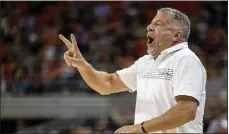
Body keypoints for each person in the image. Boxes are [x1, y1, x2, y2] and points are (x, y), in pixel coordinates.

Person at [59, 7, 206, 133]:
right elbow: (107, 84)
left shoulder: (186, 59)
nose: (149, 27)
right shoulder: (146, 62)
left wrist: (141, 128)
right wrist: (82, 65)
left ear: (176, 35)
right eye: (151, 24)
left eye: (158, 24)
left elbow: (187, 110)